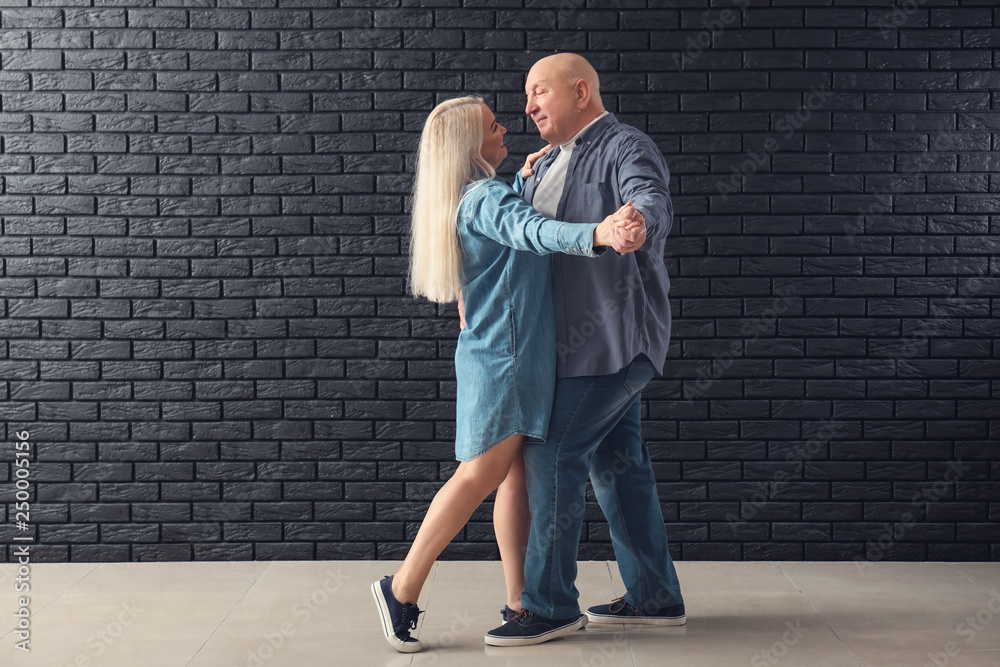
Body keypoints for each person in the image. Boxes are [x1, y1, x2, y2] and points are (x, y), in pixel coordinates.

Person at [371, 95, 646, 653]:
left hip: (511, 355)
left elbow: (509, 237)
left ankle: (522, 600)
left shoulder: (481, 194)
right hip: (506, 360)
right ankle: (401, 587)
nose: (507, 129)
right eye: (495, 126)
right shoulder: (485, 197)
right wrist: (599, 233)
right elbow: (531, 233)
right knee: (481, 474)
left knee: (515, 476)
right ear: (471, 145)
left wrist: (520, 182)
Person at [485, 53, 686, 647]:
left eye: (538, 92)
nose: (528, 106)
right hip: (570, 350)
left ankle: (548, 605)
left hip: (615, 345)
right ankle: (655, 596)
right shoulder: (543, 161)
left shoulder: (625, 145)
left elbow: (649, 198)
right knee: (618, 468)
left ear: (580, 91)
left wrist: (639, 224)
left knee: (552, 457)